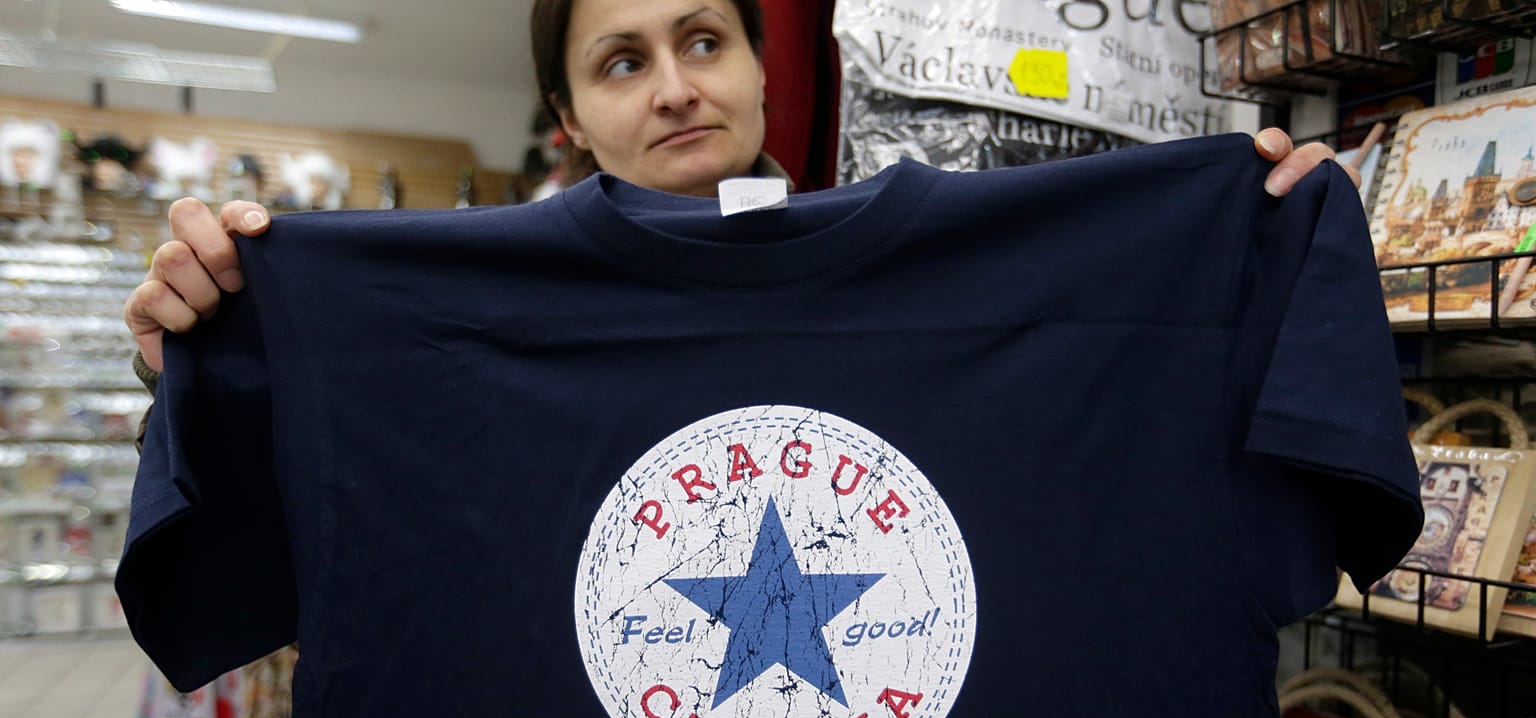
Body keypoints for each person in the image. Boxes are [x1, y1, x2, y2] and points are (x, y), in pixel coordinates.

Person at [122, 0, 1355, 374]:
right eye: (621, 63)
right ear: (567, 118)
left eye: (703, 40)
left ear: (767, 69)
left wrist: (1253, 241)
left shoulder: (937, 264)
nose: (673, 89)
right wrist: (210, 331)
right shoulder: (468, 302)